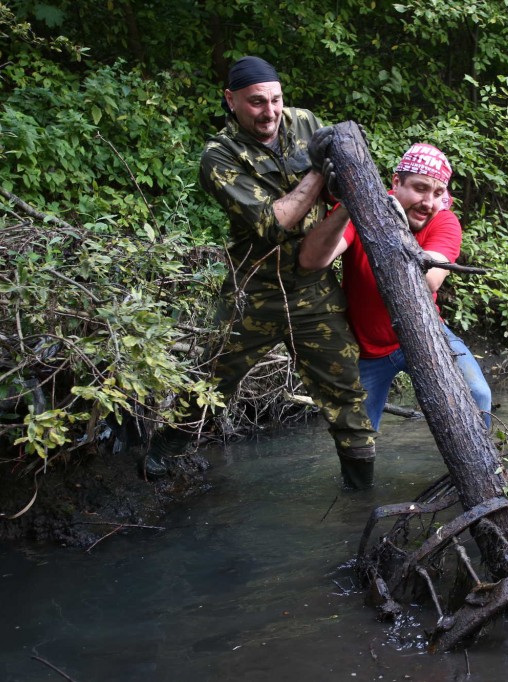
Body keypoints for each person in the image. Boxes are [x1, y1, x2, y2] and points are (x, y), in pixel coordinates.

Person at [143, 56, 377, 489]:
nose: (269, 112)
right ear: (231, 101)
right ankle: (160, 459)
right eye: (255, 102)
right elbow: (271, 222)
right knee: (211, 381)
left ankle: (360, 493)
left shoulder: (304, 122)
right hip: (253, 289)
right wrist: (316, 173)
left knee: (344, 391)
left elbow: (343, 180)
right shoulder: (219, 155)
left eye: (275, 100)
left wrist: (348, 161)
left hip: (313, 287)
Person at [298, 143, 493, 436]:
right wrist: (348, 207)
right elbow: (312, 260)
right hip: (367, 348)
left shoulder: (444, 220)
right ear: (396, 182)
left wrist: (400, 236)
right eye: (420, 188)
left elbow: (430, 280)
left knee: (478, 395)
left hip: (427, 333)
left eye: (438, 193)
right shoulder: (364, 211)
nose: (429, 202)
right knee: (357, 437)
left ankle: (487, 469)